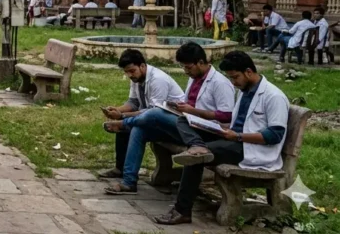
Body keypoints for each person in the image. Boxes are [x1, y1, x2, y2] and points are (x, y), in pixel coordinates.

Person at [155, 52, 289, 226]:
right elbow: (239, 122)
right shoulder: (245, 91)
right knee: (184, 120)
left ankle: (182, 211)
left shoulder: (274, 96)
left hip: (250, 148)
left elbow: (275, 135)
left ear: (248, 71)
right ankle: (197, 145)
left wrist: (238, 135)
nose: (233, 82)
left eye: (235, 77)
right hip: (233, 138)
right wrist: (221, 128)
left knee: (195, 159)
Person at [103, 42, 236, 195]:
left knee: (155, 113)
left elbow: (227, 116)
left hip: (206, 133)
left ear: (201, 62)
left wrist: (193, 111)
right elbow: (134, 102)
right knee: (140, 129)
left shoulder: (220, 83)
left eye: (188, 67)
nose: (186, 71)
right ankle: (129, 181)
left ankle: (124, 123)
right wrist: (177, 107)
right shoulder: (194, 78)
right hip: (186, 124)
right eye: (183, 67)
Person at [98, 49, 186, 180]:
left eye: (132, 71)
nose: (129, 75)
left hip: (174, 124)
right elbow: (133, 102)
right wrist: (118, 110)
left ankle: (123, 124)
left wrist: (123, 116)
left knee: (132, 126)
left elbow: (153, 112)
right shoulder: (136, 78)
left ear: (143, 66)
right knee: (129, 127)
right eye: (126, 72)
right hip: (154, 120)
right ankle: (121, 169)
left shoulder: (158, 80)